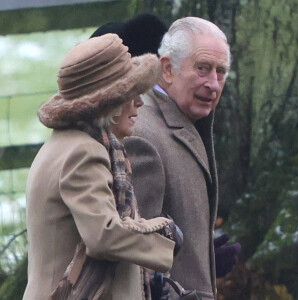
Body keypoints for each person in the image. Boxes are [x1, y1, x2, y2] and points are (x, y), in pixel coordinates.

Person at [23, 34, 183, 300]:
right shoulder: (84, 152)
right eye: (131, 94)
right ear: (109, 102)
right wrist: (164, 236)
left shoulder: (65, 144)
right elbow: (104, 235)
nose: (139, 103)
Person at [124, 17, 241, 300]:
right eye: (202, 69)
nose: (213, 84)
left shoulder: (181, 119)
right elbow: (138, 261)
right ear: (167, 69)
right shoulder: (143, 135)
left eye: (221, 72)